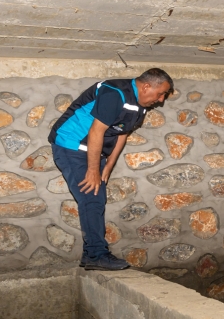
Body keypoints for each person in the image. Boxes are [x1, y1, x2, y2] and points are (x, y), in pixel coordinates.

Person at [50, 69, 173, 270]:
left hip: (91, 150)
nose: (160, 100)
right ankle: (96, 255)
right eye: (160, 94)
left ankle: (92, 254)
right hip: (71, 144)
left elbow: (121, 135)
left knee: (95, 198)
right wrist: (92, 169)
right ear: (146, 86)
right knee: (92, 196)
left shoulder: (140, 106)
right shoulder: (114, 93)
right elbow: (96, 131)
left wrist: (108, 166)